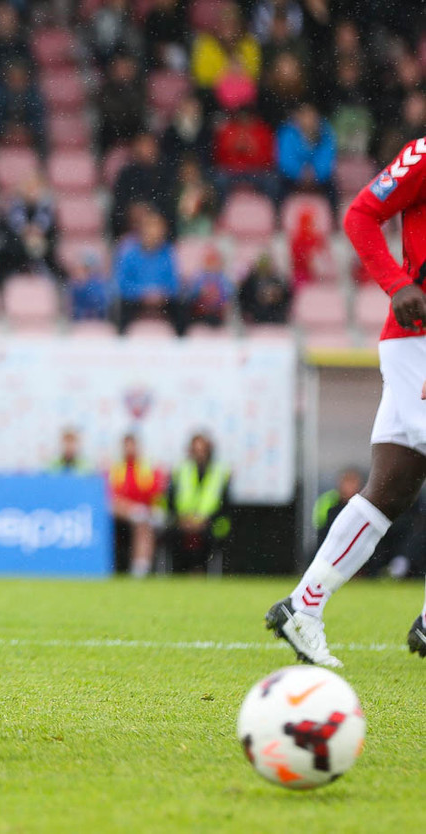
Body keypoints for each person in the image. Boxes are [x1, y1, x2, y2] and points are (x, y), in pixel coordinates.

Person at [265, 133, 426, 667]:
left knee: (391, 488)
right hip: (418, 340)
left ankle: (303, 607)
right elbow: (360, 214)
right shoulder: (424, 154)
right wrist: (396, 283)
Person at [165, 432, 231, 573]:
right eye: (196, 450)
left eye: (203, 450)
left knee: (208, 537)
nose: (199, 454)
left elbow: (224, 504)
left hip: (211, 522)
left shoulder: (220, 472)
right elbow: (170, 499)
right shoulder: (181, 470)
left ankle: (199, 570)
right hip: (183, 521)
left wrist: (205, 520)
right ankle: (179, 572)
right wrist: (182, 518)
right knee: (172, 535)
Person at [108, 433, 167, 577]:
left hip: (144, 512)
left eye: (132, 445)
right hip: (121, 512)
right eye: (127, 445)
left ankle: (140, 566)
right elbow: (111, 495)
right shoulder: (115, 468)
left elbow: (156, 493)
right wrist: (132, 509)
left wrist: (152, 509)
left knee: (143, 523)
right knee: (136, 515)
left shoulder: (148, 467)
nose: (130, 449)